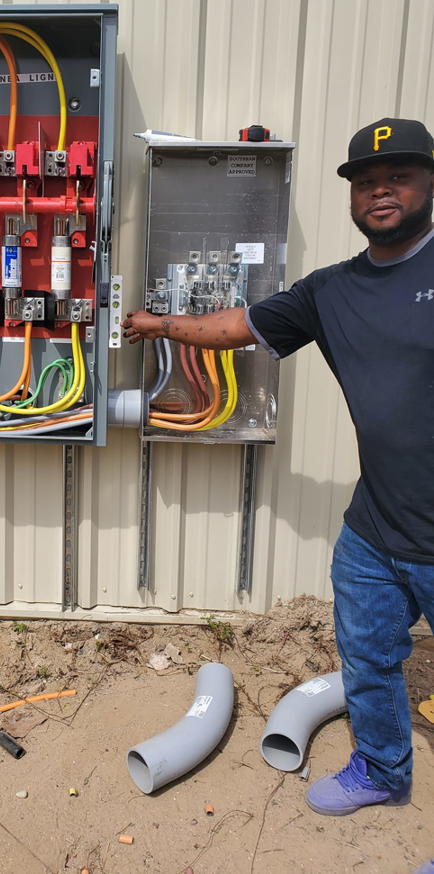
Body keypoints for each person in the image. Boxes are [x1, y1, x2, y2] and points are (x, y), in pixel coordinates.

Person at [122, 119, 434, 841]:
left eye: (398, 176)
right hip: (375, 531)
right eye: (364, 181)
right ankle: (382, 773)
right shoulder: (332, 290)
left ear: (427, 185)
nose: (378, 190)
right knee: (366, 658)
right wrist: (162, 325)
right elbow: (239, 324)